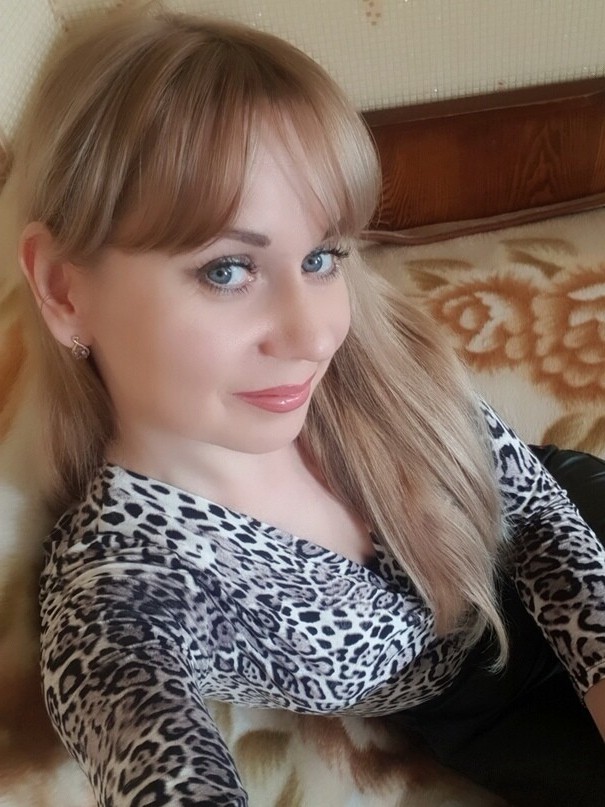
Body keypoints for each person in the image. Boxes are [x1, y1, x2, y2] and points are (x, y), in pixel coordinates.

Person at [11, 8, 605, 806]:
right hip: (489, 710)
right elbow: (152, 750)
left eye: (321, 255)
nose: (315, 332)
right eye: (226, 269)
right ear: (62, 289)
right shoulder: (122, 591)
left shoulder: (371, 357)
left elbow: (532, 505)